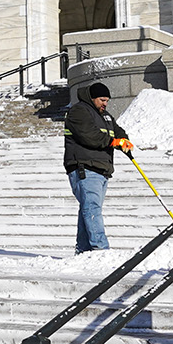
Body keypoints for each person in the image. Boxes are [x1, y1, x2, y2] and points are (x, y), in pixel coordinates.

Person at [62, 81, 133, 253]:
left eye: (107, 101)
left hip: (101, 169)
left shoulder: (105, 116)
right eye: (102, 100)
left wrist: (124, 140)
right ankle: (100, 249)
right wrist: (113, 142)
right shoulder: (78, 111)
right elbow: (90, 136)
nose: (105, 104)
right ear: (92, 98)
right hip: (84, 167)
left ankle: (84, 250)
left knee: (89, 208)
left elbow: (117, 131)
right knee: (91, 208)